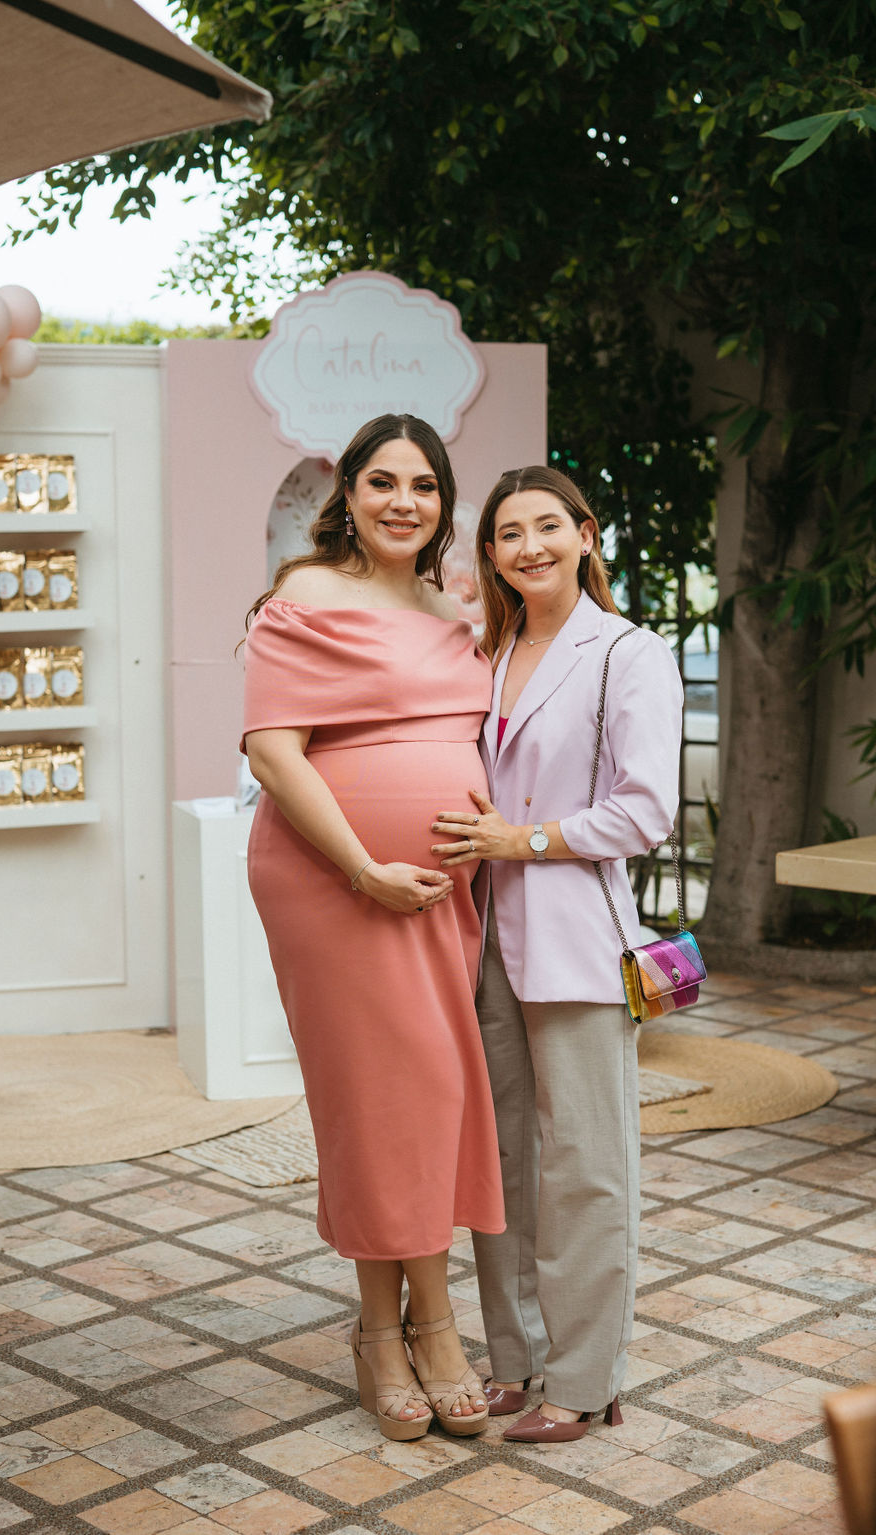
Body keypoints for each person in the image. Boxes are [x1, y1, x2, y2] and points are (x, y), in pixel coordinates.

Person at [241, 414, 505, 1441]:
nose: (405, 501)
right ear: (346, 492)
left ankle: (411, 1324)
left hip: (436, 893)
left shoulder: (450, 607)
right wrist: (363, 867)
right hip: (334, 884)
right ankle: (399, 1332)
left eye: (424, 485)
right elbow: (274, 752)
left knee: (428, 1093)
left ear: (444, 503)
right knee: (373, 1100)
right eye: (383, 481)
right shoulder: (306, 594)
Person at [429, 465, 683, 1443]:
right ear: (491, 554)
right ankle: (515, 1358)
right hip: (485, 935)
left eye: (547, 526)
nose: (528, 546)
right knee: (501, 1158)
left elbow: (645, 810)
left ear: (585, 534)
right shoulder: (485, 655)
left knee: (584, 1162)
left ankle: (582, 1379)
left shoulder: (628, 653)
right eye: (508, 533)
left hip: (577, 939)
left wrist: (523, 838)